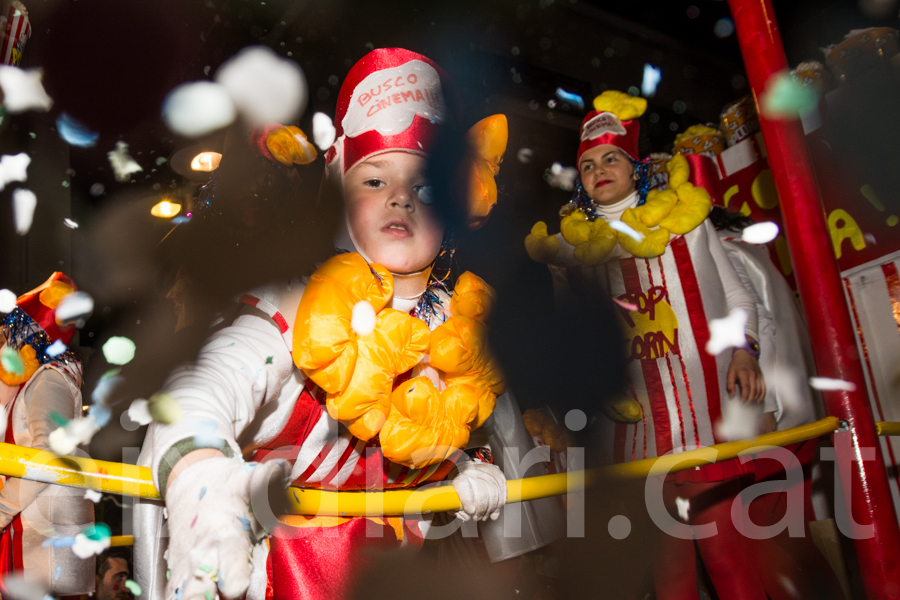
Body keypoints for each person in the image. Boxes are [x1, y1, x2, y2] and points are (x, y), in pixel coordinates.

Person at [135, 48, 561, 600]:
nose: (402, 199)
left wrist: (467, 466)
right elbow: (200, 390)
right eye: (375, 181)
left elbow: (483, 437)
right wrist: (201, 478)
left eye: (425, 187)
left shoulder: (465, 324)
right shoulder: (300, 306)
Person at [526, 91, 768, 600]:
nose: (599, 170)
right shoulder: (576, 253)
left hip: (704, 426)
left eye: (610, 158)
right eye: (588, 165)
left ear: (635, 167)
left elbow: (735, 292)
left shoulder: (686, 223)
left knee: (731, 564)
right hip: (632, 445)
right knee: (668, 577)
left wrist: (743, 348)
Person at [710, 205, 844, 599]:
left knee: (762, 542)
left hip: (771, 416)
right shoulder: (757, 255)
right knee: (792, 535)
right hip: (801, 416)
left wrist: (762, 408)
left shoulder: (725, 252)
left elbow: (758, 329)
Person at [0, 272, 95, 597]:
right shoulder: (38, 379)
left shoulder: (49, 379)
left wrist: (0, 509)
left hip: (46, 540)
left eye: (11, 332)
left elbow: (50, 454)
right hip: (39, 533)